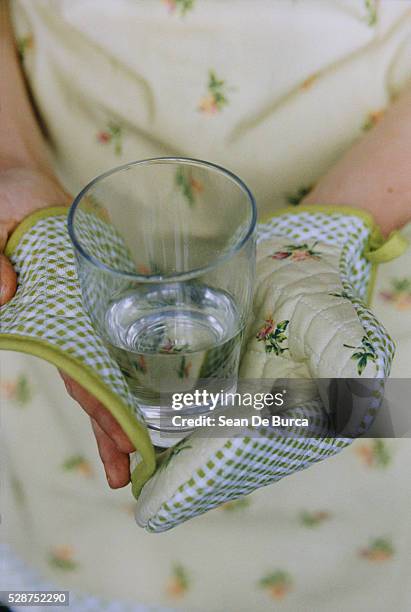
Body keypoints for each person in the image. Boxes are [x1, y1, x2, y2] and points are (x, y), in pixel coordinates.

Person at [1, 1, 411, 610]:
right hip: (73, 232)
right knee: (95, 521)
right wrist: (12, 162)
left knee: (342, 408)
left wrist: (331, 236)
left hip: (362, 235)